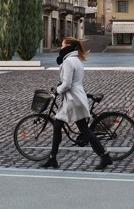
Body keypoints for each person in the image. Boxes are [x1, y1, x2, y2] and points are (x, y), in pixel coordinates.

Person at [41, 37, 112, 170]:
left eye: (62, 45)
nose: (61, 47)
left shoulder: (68, 61)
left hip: (72, 99)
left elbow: (67, 84)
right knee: (62, 126)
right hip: (76, 97)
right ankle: (52, 158)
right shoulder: (76, 59)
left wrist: (57, 90)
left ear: (68, 45)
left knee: (81, 130)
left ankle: (104, 156)